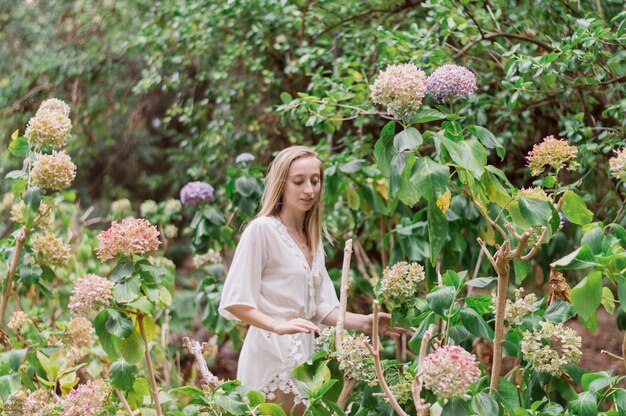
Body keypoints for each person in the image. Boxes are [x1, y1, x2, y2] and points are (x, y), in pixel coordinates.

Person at [218, 146, 393, 414]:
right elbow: (235, 301)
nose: (309, 190)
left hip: (308, 354)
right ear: (281, 184)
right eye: (299, 181)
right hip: (270, 351)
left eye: (315, 180)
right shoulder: (262, 230)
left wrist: (367, 322)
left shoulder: (313, 238)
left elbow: (322, 308)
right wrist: (278, 325)